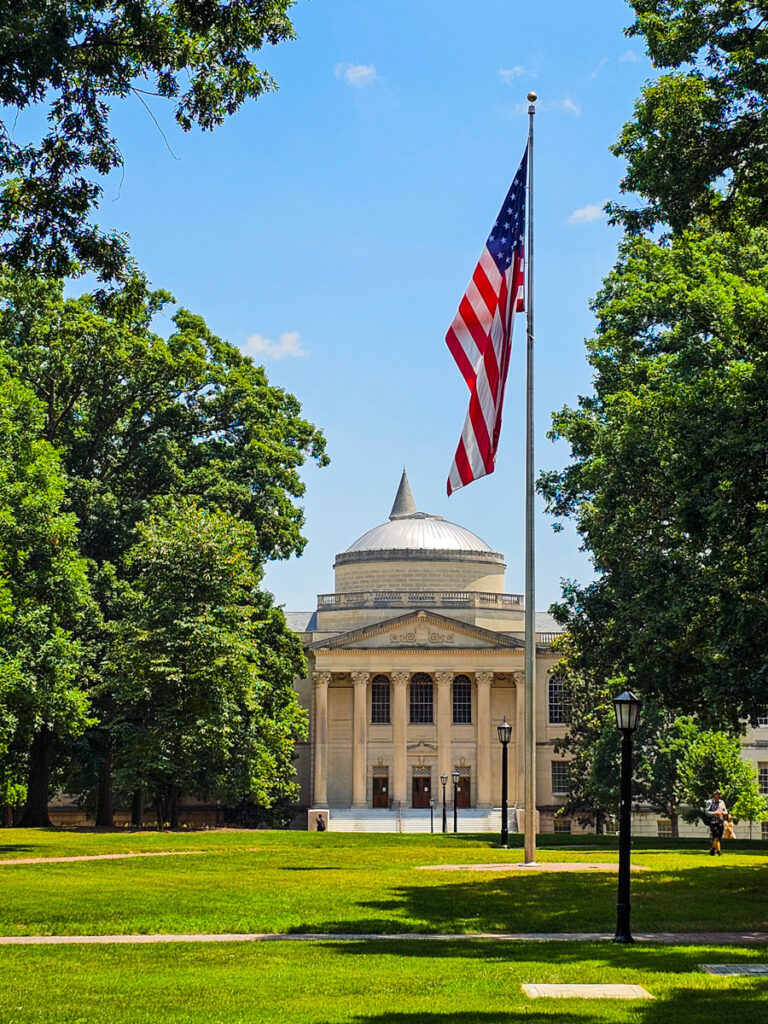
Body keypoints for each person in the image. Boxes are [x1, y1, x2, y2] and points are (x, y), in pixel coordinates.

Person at [704, 789, 728, 856]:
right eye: (716, 794)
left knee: (718, 838)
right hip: (713, 822)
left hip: (721, 821)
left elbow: (725, 810)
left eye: (719, 794)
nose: (718, 795)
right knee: (716, 836)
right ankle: (719, 851)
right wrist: (715, 813)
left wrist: (725, 813)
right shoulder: (710, 802)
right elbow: (706, 812)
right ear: (714, 795)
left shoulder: (722, 802)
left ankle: (712, 850)